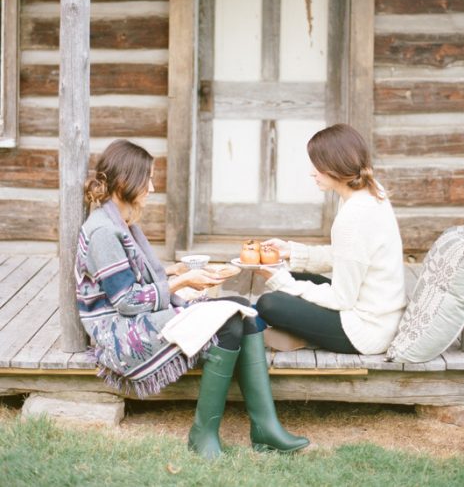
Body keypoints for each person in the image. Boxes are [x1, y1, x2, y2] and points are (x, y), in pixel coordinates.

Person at [75, 139, 308, 459]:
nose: (153, 188)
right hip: (119, 331)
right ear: (126, 181)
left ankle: (266, 429)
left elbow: (133, 279)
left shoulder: (120, 220)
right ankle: (203, 435)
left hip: (134, 316)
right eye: (148, 179)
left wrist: (175, 270)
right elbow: (126, 300)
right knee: (227, 321)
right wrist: (183, 280)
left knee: (241, 307)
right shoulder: (104, 230)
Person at [255, 123, 406, 356]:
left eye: (317, 165)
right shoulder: (367, 191)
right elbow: (345, 255)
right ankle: (293, 329)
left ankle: (282, 331)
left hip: (366, 332)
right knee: (293, 278)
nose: (312, 172)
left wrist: (280, 282)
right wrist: (291, 252)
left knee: (270, 303)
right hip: (379, 314)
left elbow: (341, 299)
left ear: (336, 166)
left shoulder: (354, 216)